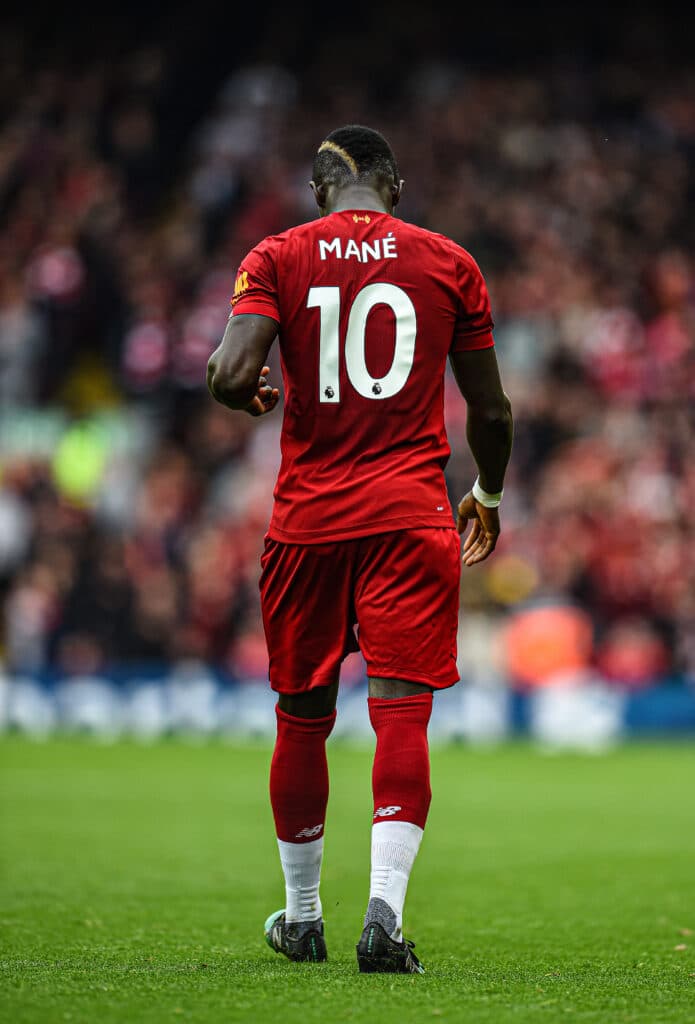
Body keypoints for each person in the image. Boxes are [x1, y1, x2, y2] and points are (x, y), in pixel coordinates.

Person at [207, 124, 513, 974]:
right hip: (412, 519)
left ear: (317, 191)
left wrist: (237, 389)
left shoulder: (275, 255)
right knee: (399, 714)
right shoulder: (448, 262)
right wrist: (485, 493)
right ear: (395, 187)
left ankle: (302, 918)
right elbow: (491, 412)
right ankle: (383, 916)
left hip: (307, 522)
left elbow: (232, 374)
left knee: (302, 718)